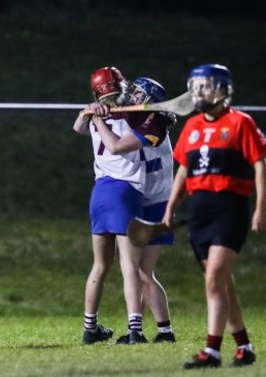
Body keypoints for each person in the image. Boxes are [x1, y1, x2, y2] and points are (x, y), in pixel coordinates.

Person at [163, 64, 266, 368]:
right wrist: (171, 205)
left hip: (230, 207)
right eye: (196, 85)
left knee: (214, 279)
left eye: (206, 85)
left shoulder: (241, 123)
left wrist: (261, 208)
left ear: (223, 89)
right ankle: (244, 346)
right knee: (221, 284)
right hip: (199, 210)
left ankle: (211, 351)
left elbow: (260, 166)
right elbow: (184, 170)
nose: (199, 91)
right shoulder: (192, 126)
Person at [73, 67, 170, 345]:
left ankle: (90, 328)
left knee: (100, 265)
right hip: (125, 192)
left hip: (99, 193)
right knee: (130, 266)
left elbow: (78, 127)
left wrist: (89, 113)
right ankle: (135, 330)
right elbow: (117, 145)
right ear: (121, 85)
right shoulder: (135, 116)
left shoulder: (98, 116)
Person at [113, 78, 177, 344]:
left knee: (141, 272)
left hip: (156, 203)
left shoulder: (154, 124)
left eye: (138, 93)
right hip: (154, 200)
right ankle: (156, 331)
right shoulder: (145, 118)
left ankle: (153, 331)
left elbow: (118, 145)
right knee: (142, 271)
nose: (133, 96)